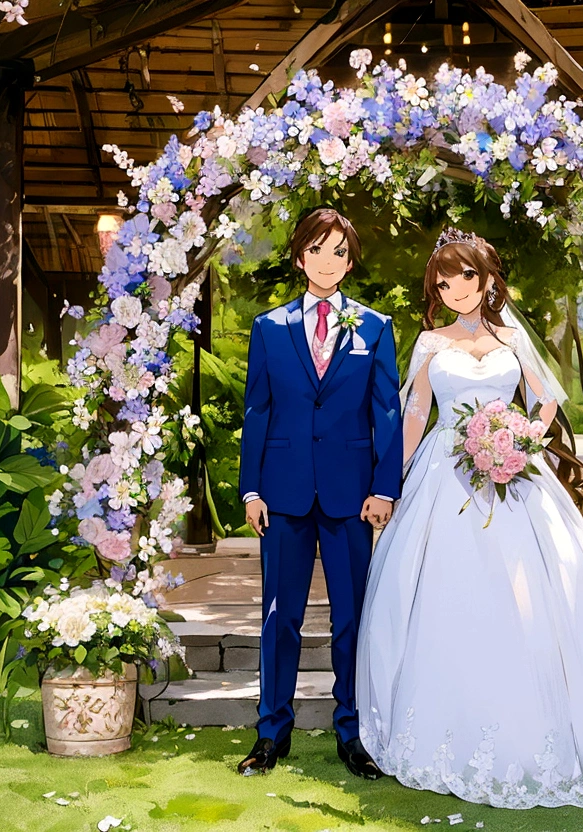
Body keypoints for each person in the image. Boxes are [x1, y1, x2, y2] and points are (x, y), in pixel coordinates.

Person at [356, 228, 583, 808]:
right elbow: (414, 417)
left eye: (465, 278)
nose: (455, 290)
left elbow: (547, 398)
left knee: (535, 590)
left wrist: (521, 436)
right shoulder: (430, 343)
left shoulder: (511, 339)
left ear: (486, 281)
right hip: (445, 474)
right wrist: (391, 485)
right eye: (444, 282)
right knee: (446, 590)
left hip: (512, 470)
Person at [237, 207, 402, 779]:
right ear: (300, 256)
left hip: (352, 496)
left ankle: (354, 735)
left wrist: (385, 488)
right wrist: (251, 488)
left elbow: (387, 411)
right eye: (317, 249)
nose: (328, 260)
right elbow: (257, 409)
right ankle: (270, 735)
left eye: (339, 251)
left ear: (350, 260)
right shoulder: (269, 328)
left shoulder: (374, 327)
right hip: (281, 494)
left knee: (351, 618)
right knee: (278, 617)